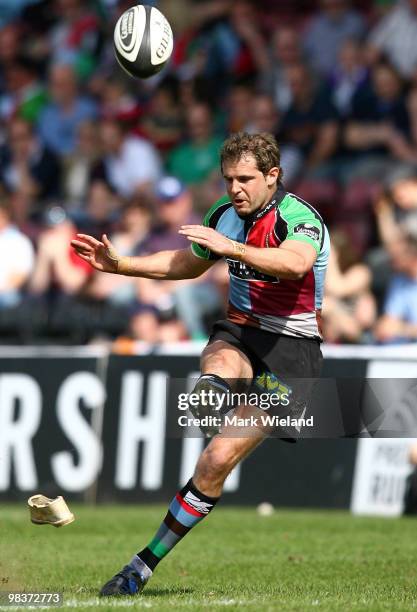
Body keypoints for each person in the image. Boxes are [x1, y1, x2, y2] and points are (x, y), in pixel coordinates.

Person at [71, 132, 330, 597]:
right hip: (242, 330)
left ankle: (216, 393)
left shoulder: (299, 218)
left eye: (246, 179)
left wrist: (229, 249)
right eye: (229, 179)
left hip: (292, 352)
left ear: (273, 177)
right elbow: (186, 265)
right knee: (223, 355)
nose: (235, 189)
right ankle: (140, 567)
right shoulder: (223, 217)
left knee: (214, 462)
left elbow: (294, 265)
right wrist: (120, 265)